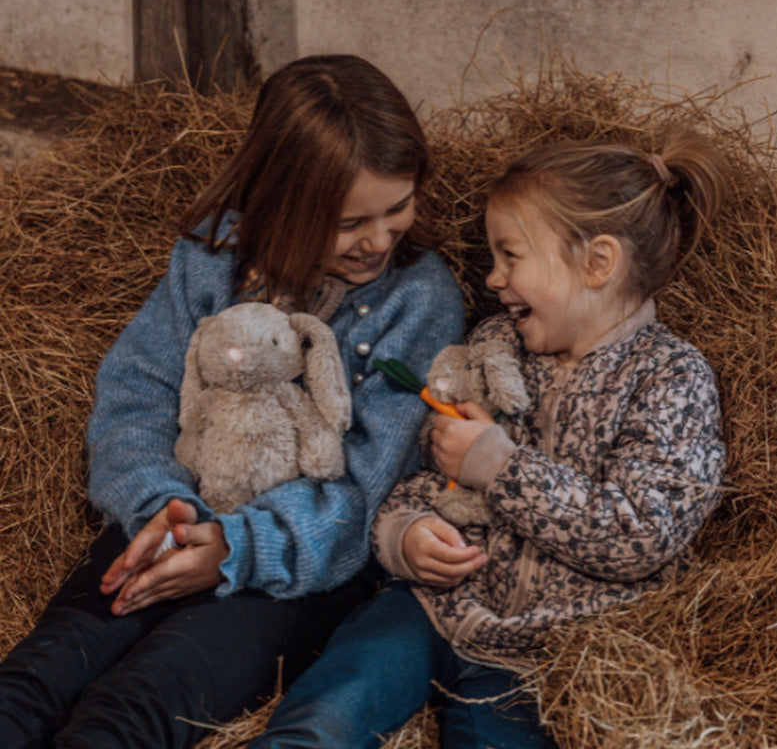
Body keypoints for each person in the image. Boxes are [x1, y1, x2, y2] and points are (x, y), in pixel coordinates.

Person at [0, 54, 464, 748]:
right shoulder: (214, 255)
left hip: (295, 570)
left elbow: (365, 486)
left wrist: (236, 548)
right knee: (39, 677)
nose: (378, 239)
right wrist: (159, 509)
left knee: (135, 707)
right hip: (170, 519)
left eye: (398, 207)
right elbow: (138, 392)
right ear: (280, 200)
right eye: (347, 223)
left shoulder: (419, 300)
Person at [250, 130, 729, 748]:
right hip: (430, 609)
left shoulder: (671, 378)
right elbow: (423, 471)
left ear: (598, 262)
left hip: (545, 646)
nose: (494, 279)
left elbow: (641, 536)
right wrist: (406, 534)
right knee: (318, 722)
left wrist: (500, 468)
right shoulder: (493, 348)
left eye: (511, 256)